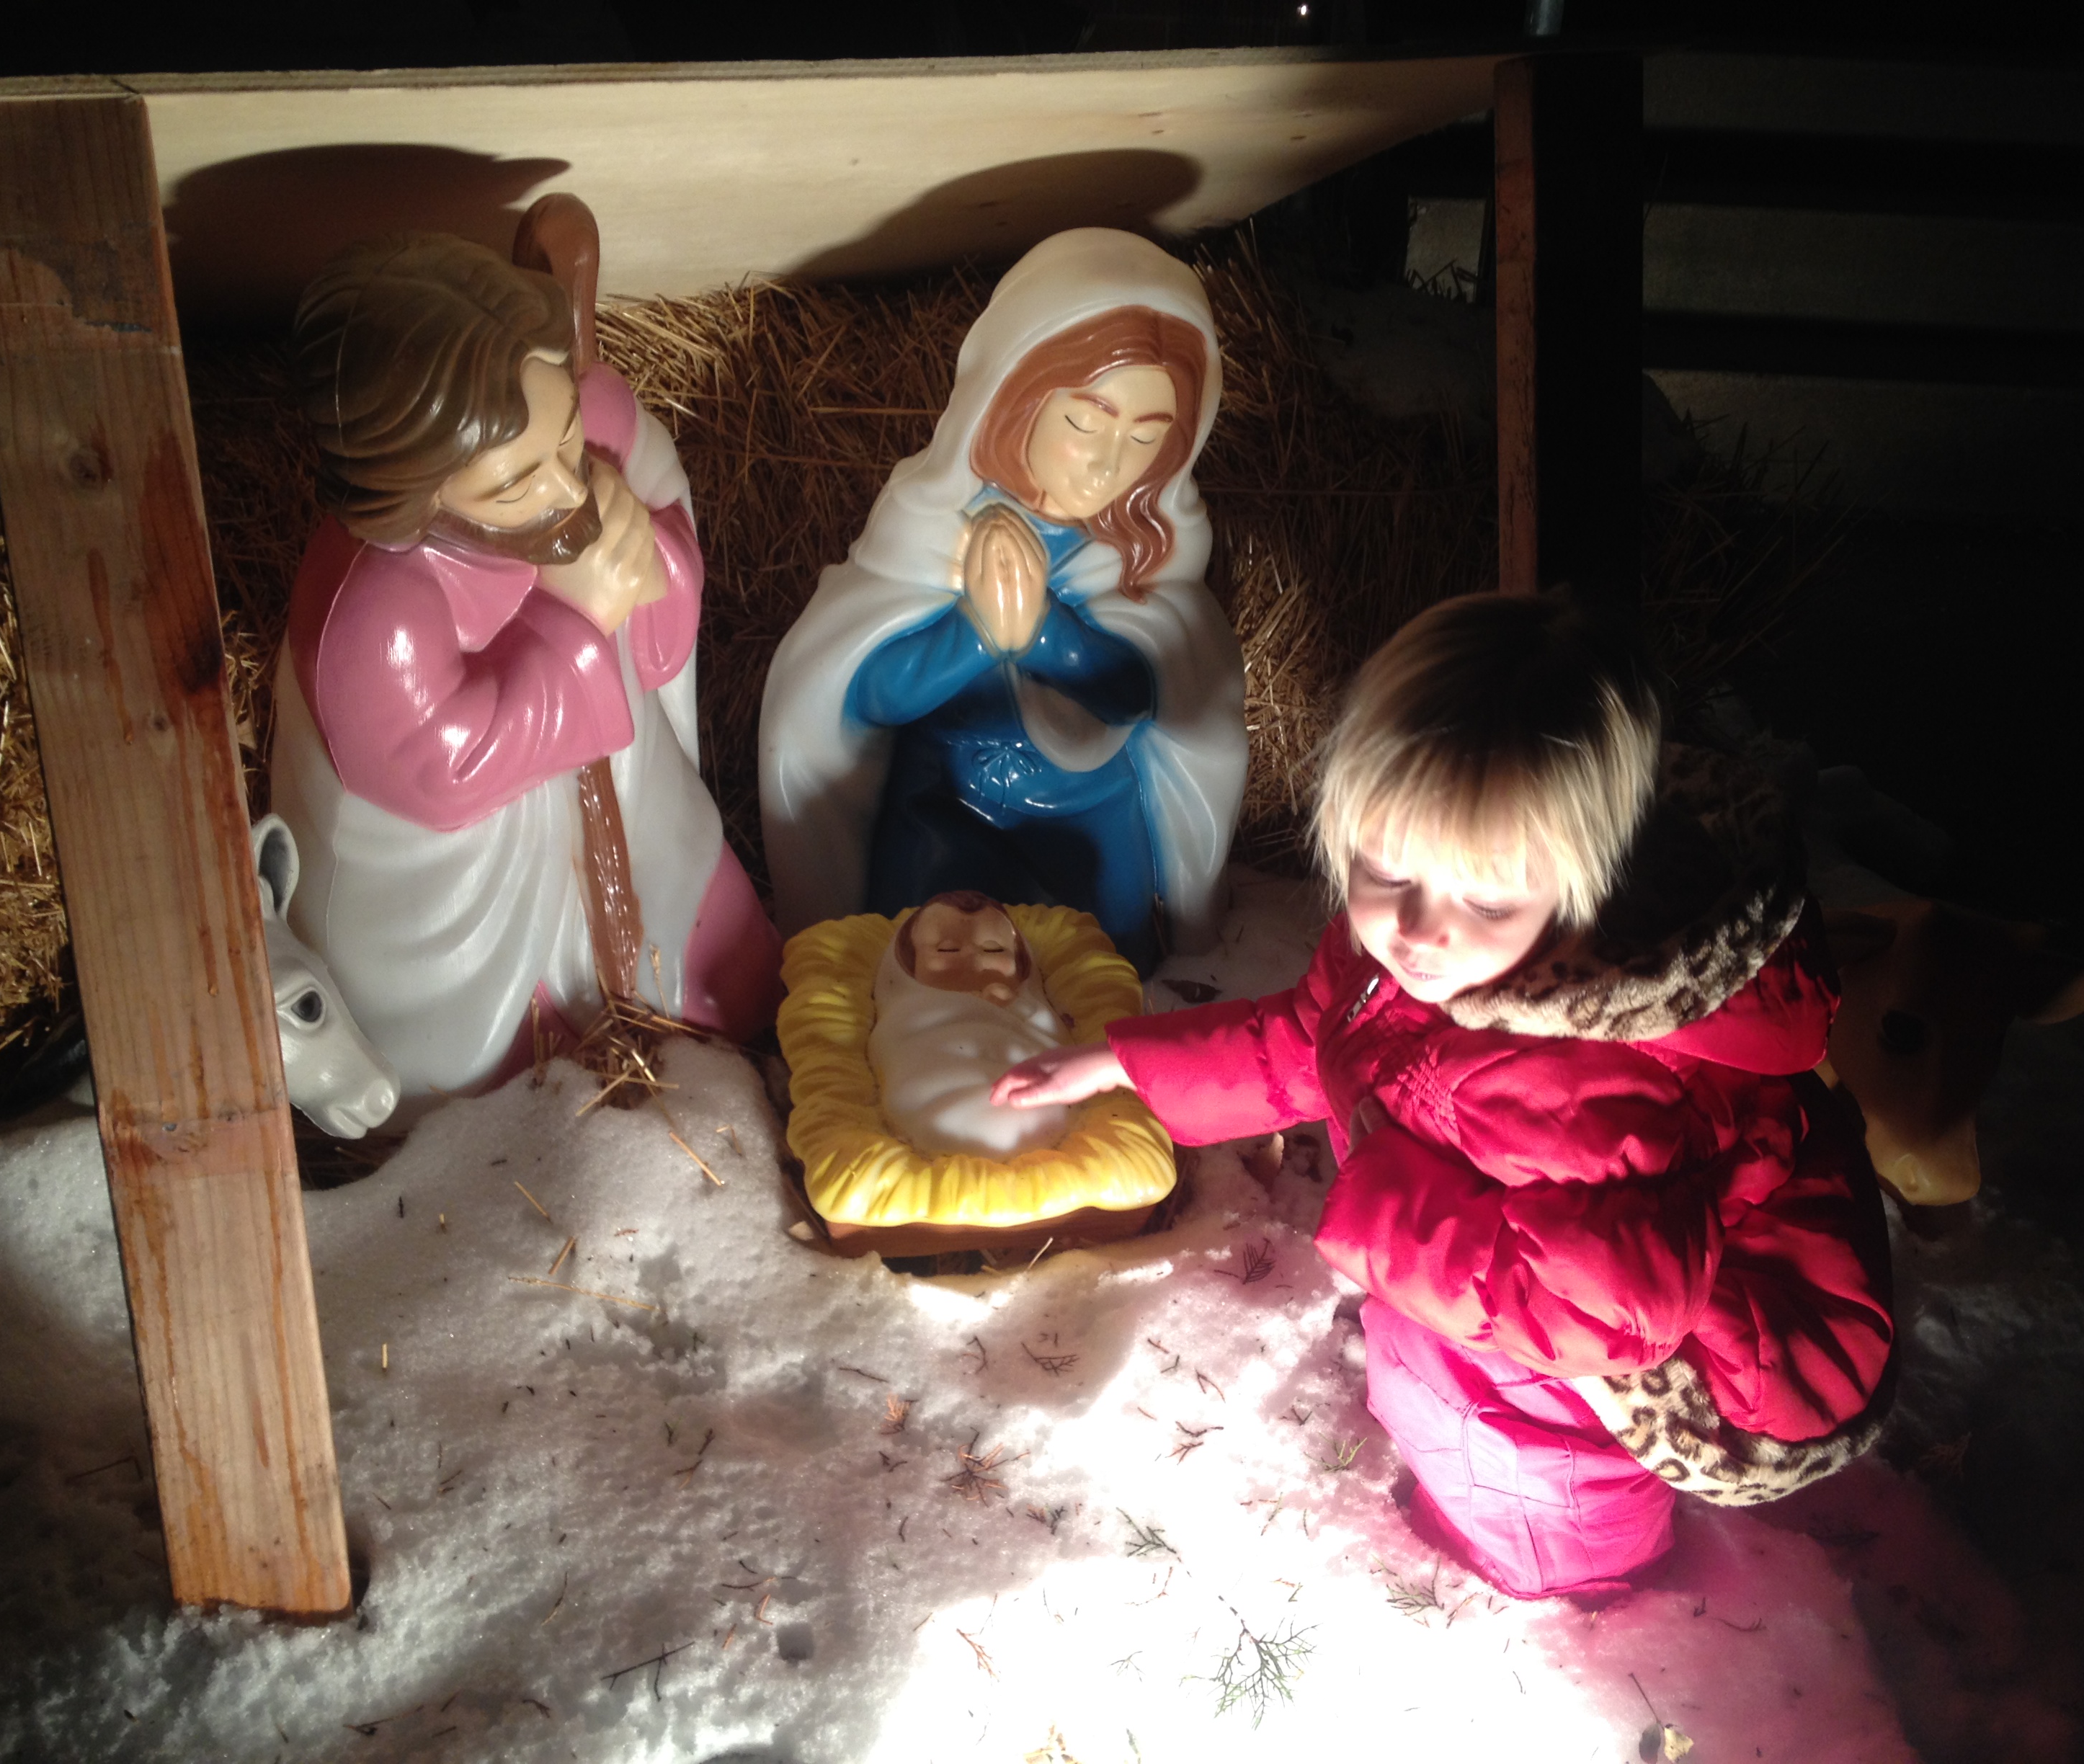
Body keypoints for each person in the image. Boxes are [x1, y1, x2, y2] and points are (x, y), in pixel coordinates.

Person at [994, 592, 1896, 1599]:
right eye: (1384, 870)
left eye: (1485, 897)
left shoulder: (1587, 1091)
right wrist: (1124, 1064)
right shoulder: (1427, 956)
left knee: (1532, 1492)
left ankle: (1574, 1591)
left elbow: (1603, 1320)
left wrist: (1385, 1210)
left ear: (1589, 879)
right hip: (1469, 1279)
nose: (1418, 928)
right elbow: (1309, 1040)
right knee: (1439, 1391)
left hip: (1584, 1386)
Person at [271, 233, 780, 1123]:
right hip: (477, 897)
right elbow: (441, 770)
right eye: (515, 484)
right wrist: (575, 622)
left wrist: (642, 547)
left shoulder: (596, 440)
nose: (567, 493)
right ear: (418, 491)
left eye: (568, 441)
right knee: (492, 1095)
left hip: (629, 799)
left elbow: (662, 589)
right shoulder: (378, 610)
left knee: (725, 970)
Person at [759, 228, 1248, 976]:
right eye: (1085, 423)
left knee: (1105, 978)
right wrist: (977, 636)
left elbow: (1150, 689)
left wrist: (1044, 634)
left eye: (1146, 438)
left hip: (1090, 815)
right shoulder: (932, 526)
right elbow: (865, 692)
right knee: (924, 972)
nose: (1108, 464)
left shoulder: (1143, 555)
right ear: (1019, 396)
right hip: (947, 808)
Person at [866, 891, 1071, 1159]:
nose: (974, 959)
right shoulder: (907, 1010)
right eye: (947, 949)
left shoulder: (1030, 1007)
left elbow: (1055, 1044)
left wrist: (1016, 1009)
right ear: (908, 963)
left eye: (994, 949)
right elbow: (892, 1043)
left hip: (1025, 1093)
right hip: (933, 1083)